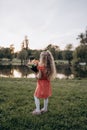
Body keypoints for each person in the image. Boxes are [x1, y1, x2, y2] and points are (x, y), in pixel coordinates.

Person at [32, 50, 56, 115]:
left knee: (36, 96)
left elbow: (38, 77)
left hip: (41, 85)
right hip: (47, 84)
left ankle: (38, 110)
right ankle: (45, 109)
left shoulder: (40, 67)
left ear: (42, 58)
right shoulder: (50, 68)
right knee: (46, 96)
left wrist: (34, 71)